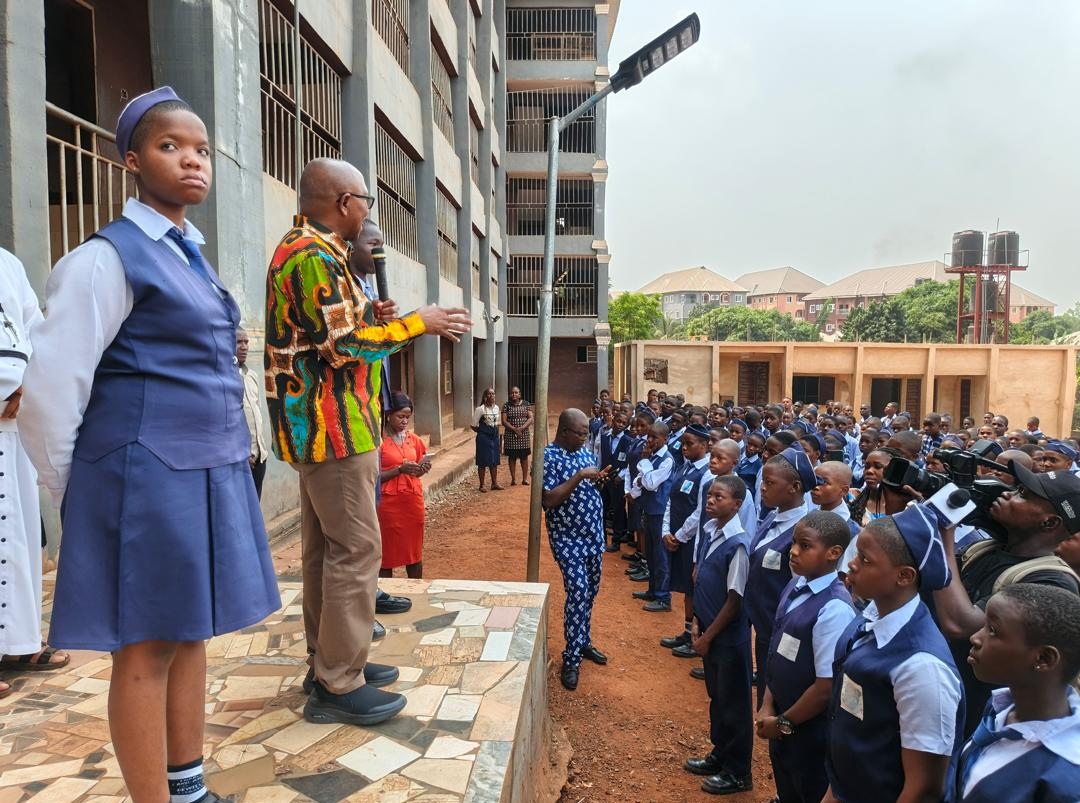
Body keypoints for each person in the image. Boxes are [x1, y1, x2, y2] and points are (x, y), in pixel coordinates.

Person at [19, 88, 280, 803]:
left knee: (190, 630)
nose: (191, 160)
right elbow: (49, 391)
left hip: (202, 468)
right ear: (132, 160)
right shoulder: (106, 259)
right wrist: (81, 489)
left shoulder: (189, 253)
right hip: (142, 476)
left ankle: (188, 785)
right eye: (170, 147)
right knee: (146, 647)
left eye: (199, 149)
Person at [264, 155, 471, 726]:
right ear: (343, 203)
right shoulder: (310, 257)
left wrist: (375, 314)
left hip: (326, 426)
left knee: (324, 552)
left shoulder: (315, 254)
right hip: (332, 428)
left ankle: (328, 662)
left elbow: (338, 332)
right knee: (356, 550)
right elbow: (345, 346)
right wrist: (416, 323)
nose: (368, 211)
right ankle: (338, 681)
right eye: (366, 201)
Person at [824, 507, 964, 803]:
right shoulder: (872, 615)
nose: (851, 564)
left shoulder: (923, 668)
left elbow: (924, 788)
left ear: (904, 576)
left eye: (865, 560)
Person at [932, 463, 1080, 738]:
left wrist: (943, 535)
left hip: (978, 718)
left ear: (1049, 522)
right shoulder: (986, 548)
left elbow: (959, 626)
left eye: (1023, 493)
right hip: (938, 696)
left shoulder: (1051, 581)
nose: (1008, 494)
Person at [0, 248, 69, 698]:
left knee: (19, 537)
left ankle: (18, 643)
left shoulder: (6, 262)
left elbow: (30, 328)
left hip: (10, 421)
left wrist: (25, 387)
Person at [758, 511, 856, 803]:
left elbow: (825, 688)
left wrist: (783, 723)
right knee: (786, 783)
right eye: (793, 543)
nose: (794, 551)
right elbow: (778, 650)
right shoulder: (796, 584)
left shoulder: (834, 610)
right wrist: (766, 704)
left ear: (834, 553)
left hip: (808, 731)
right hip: (781, 716)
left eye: (805, 545)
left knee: (807, 787)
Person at [958, 584, 1080, 801]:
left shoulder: (1065, 773)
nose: (976, 638)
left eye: (993, 631)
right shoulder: (1000, 708)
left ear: (1043, 659)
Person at [681, 475, 754, 795]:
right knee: (717, 699)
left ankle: (738, 772)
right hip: (709, 630)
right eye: (710, 495)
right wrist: (697, 622)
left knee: (734, 705)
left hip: (727, 638)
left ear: (737, 505)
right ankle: (720, 753)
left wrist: (708, 636)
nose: (710, 501)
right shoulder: (712, 531)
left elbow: (735, 600)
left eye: (719, 497)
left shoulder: (738, 544)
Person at [542, 408, 610, 691]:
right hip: (567, 538)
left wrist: (598, 481)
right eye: (581, 433)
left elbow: (589, 488)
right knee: (578, 591)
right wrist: (580, 476)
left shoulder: (584, 452)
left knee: (590, 592)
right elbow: (548, 500)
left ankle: (583, 641)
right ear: (565, 432)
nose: (585, 437)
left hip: (593, 535)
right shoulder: (548, 457)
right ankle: (571, 658)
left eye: (587, 433)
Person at [746, 448, 813, 703]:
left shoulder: (805, 532)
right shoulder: (773, 517)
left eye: (770, 483)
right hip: (765, 630)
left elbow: (801, 590)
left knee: (781, 699)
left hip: (785, 636)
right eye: (763, 481)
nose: (762, 488)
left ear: (794, 487)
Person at [377, 392, 430, 579]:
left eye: (408, 417)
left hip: (412, 503)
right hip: (388, 506)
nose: (405, 421)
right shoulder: (379, 441)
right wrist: (399, 470)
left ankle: (415, 590)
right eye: (401, 416)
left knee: (414, 552)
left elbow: (417, 471)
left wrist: (422, 468)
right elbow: (372, 477)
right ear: (388, 414)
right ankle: (386, 593)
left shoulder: (414, 440)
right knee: (387, 553)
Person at [634, 421, 675, 612]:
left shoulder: (667, 460)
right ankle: (652, 589)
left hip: (660, 512)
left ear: (665, 439)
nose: (649, 440)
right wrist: (644, 473)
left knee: (660, 557)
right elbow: (639, 481)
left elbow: (649, 483)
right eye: (648, 436)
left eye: (654, 437)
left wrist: (643, 462)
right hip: (649, 509)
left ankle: (663, 597)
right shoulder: (652, 457)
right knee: (650, 554)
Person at [236, 327, 269, 498]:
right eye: (238, 342)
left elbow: (256, 414)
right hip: (240, 460)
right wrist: (239, 451)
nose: (244, 347)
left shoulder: (252, 376)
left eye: (246, 342)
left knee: (255, 506)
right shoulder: (226, 379)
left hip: (259, 457)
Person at [472, 387, 503, 492]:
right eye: (489, 394)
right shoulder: (480, 409)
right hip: (483, 438)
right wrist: (482, 432)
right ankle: (482, 485)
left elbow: (497, 424)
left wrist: (498, 438)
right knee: (482, 460)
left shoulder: (496, 408)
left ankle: (494, 483)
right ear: (485, 397)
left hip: (494, 437)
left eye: (493, 394)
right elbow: (473, 425)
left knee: (494, 460)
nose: (492, 396)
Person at [501, 386, 533, 486]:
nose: (514, 394)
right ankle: (513, 479)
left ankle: (524, 479)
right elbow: (504, 421)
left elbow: (530, 418)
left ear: (519, 394)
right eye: (512, 393)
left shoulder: (526, 404)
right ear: (510, 394)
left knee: (524, 457)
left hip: (524, 435)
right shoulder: (506, 406)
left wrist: (521, 428)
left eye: (516, 393)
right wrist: (515, 429)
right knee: (512, 457)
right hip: (511, 435)